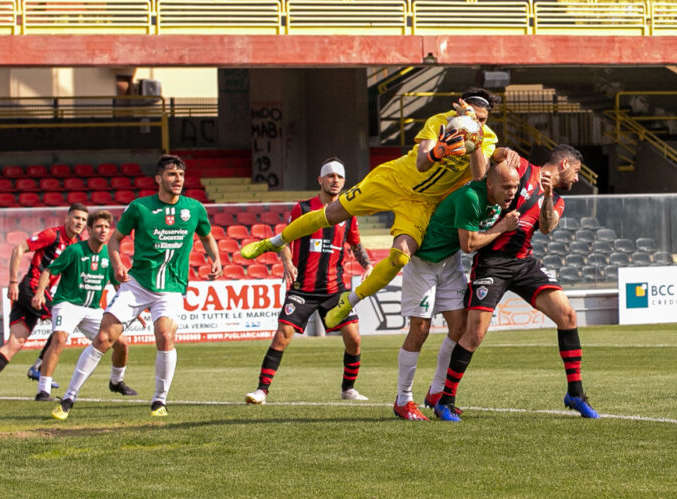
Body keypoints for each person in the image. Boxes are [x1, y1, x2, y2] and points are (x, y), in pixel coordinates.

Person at [241, 88, 519, 330]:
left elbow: (480, 174)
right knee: (334, 214)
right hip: (392, 180)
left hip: (421, 203)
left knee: (400, 257)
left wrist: (474, 141)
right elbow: (422, 163)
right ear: (461, 111)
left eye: (482, 120)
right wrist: (441, 151)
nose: (477, 124)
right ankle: (273, 241)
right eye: (473, 118)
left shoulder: (486, 138)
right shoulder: (439, 122)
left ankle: (349, 301)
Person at [432, 145, 600, 422]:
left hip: (524, 263)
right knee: (474, 335)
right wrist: (503, 150)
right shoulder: (522, 168)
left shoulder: (557, 200)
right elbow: (497, 160)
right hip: (492, 263)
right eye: (577, 171)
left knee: (568, 316)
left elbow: (546, 227)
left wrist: (546, 196)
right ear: (564, 163)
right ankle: (446, 400)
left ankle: (575, 394)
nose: (577, 178)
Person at [51, 155, 221, 420]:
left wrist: (217, 260)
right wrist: (118, 264)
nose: (177, 180)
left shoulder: (194, 208)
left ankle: (159, 402)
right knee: (104, 339)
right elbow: (115, 240)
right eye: (171, 175)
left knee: (165, 337)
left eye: (180, 175)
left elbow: (207, 237)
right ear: (158, 179)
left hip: (171, 287)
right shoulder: (140, 208)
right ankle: (68, 398)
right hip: (138, 284)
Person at [393, 162, 521, 421]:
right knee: (420, 330)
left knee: (460, 327)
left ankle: (437, 392)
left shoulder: (496, 200)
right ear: (490, 184)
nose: (512, 192)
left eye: (515, 186)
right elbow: (469, 244)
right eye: (507, 186)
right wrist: (502, 227)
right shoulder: (471, 197)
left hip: (448, 262)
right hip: (424, 262)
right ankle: (403, 399)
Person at [245, 158, 374, 405]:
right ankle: (262, 390)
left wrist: (367, 265)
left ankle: (348, 389)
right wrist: (288, 263)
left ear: (344, 181)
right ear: (320, 180)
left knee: (354, 338)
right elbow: (282, 239)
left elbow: (355, 244)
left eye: (339, 177)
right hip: (302, 288)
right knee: (282, 335)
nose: (335, 180)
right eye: (330, 176)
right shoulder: (303, 209)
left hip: (334, 289)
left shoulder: (349, 213)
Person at [0, 203, 88, 399]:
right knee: (63, 324)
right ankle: (39, 368)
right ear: (67, 218)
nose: (79, 222)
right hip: (31, 288)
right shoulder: (52, 235)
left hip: (39, 291)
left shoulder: (77, 243)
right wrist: (13, 282)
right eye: (76, 218)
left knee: (15, 343)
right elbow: (19, 249)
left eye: (83, 220)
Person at [31, 210, 139, 401]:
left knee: (122, 343)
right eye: (98, 226)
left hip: (92, 309)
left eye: (106, 227)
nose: (103, 230)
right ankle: (43, 390)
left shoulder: (109, 254)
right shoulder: (74, 250)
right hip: (67, 304)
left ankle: (116, 382)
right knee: (59, 339)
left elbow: (116, 283)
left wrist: (131, 306)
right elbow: (49, 270)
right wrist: (40, 292)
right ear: (89, 230)